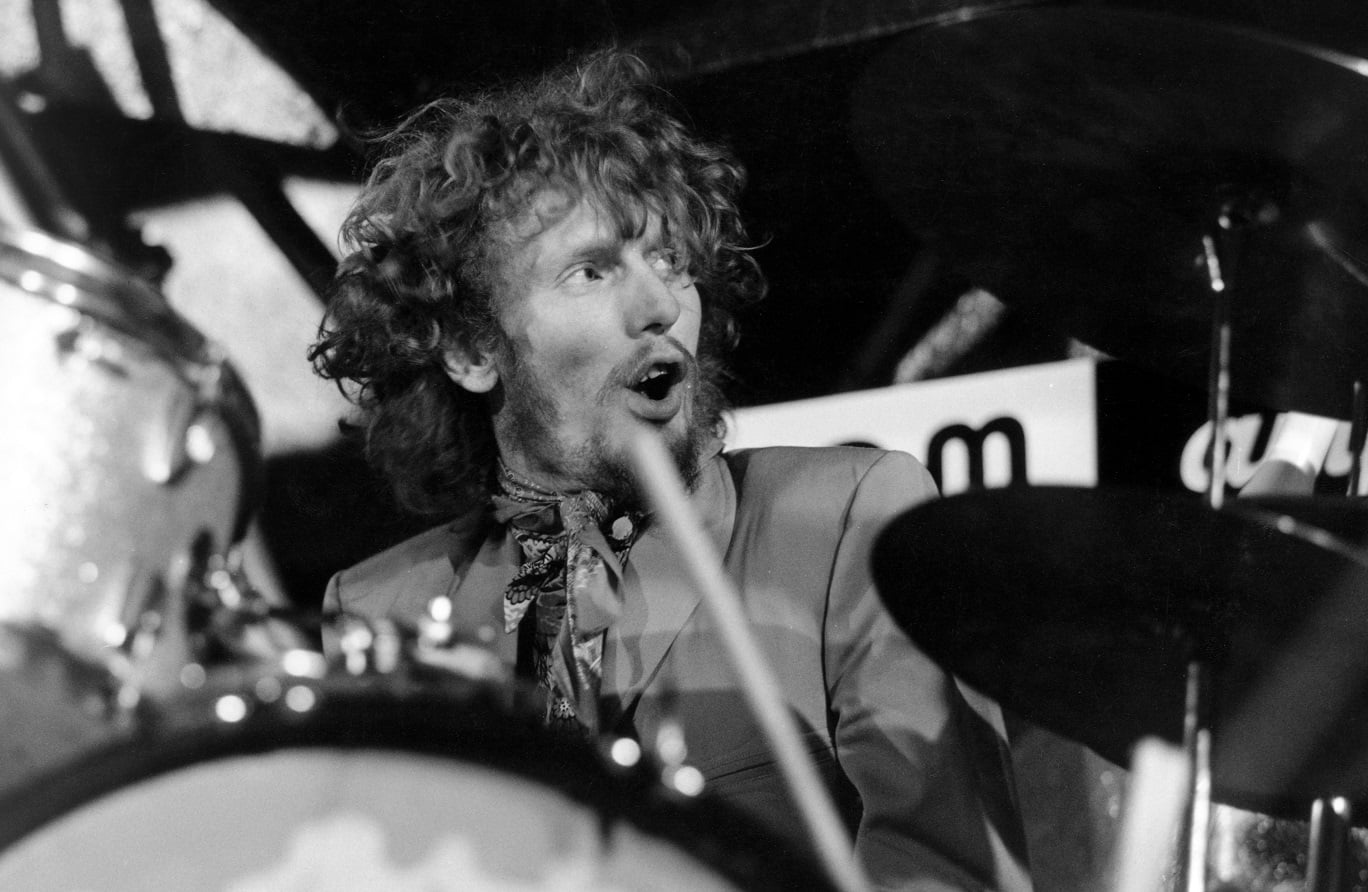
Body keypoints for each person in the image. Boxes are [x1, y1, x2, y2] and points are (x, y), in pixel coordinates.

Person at [309, 49, 1032, 891]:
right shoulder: (380, 614)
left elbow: (950, 874)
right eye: (591, 270)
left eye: (669, 260)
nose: (660, 305)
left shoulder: (845, 520)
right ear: (471, 350)